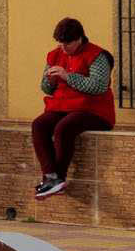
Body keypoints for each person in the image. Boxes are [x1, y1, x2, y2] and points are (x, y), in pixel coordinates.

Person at [31, 17, 115, 199]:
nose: (63, 47)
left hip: (93, 110)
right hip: (62, 107)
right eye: (60, 43)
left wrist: (68, 76)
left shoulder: (98, 56)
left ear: (79, 38)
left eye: (67, 43)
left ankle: (59, 178)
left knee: (64, 128)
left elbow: (98, 86)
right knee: (39, 124)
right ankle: (50, 177)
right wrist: (50, 80)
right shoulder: (55, 55)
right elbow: (46, 88)